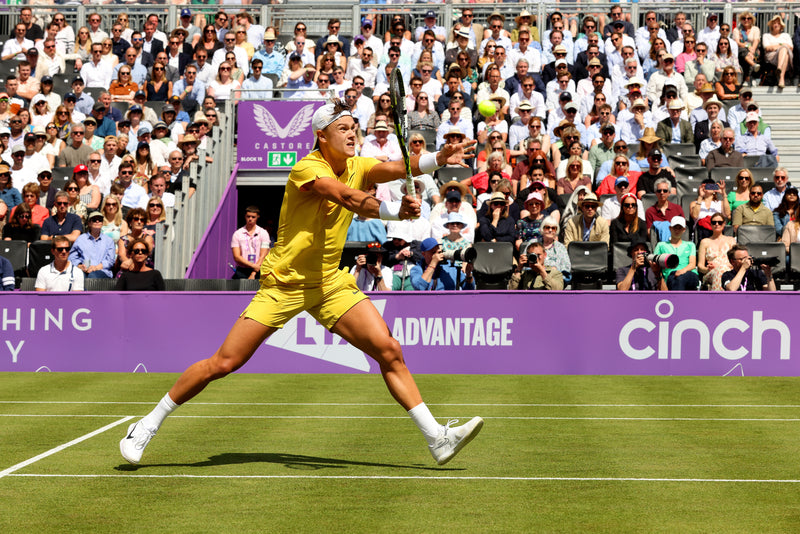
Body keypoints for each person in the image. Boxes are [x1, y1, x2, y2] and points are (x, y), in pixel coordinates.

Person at [120, 101, 483, 467]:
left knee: (389, 350)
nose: (352, 134)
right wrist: (393, 212)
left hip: (329, 283)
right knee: (224, 362)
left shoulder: (358, 165)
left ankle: (437, 438)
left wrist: (438, 158)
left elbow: (396, 167)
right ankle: (146, 425)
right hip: (285, 284)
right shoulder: (307, 168)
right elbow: (346, 197)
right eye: (343, 129)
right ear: (321, 136)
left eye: (354, 127)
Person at [654, 216, 699, 291]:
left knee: (680, 278)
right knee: (676, 279)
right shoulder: (661, 245)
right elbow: (655, 263)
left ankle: (676, 298)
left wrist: (682, 271)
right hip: (671, 275)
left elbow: (692, 264)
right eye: (675, 228)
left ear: (684, 230)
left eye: (680, 228)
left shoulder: (690, 245)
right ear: (670, 228)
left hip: (690, 273)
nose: (677, 230)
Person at [68, 211, 116, 279]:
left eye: (100, 220)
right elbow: (72, 257)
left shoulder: (109, 241)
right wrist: (79, 266)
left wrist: (96, 268)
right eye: (94, 220)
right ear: (89, 223)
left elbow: (110, 261)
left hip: (102, 271)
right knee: (78, 276)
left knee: (92, 276)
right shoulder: (80, 239)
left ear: (102, 223)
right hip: (84, 271)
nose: (97, 221)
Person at [697, 212, 736, 291]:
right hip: (711, 273)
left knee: (721, 270)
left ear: (724, 224)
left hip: (728, 270)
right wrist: (708, 269)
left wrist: (721, 266)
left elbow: (735, 261)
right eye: (714, 222)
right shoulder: (705, 242)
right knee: (719, 271)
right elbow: (700, 266)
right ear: (711, 224)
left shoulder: (731, 240)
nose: (717, 224)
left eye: (720, 222)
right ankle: (719, 297)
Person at [231, 206, 271, 280]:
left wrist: (253, 273)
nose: (250, 219)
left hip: (259, 269)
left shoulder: (263, 233)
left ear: (257, 217)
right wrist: (253, 265)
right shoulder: (238, 233)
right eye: (248, 216)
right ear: (245, 216)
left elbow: (263, 255)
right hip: (242, 270)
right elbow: (236, 256)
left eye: (253, 217)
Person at [763, 15, 792, 88]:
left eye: (778, 23)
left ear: (781, 26)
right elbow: (767, 48)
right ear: (771, 25)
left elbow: (791, 47)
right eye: (774, 23)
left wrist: (775, 46)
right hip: (772, 56)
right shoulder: (766, 35)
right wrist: (782, 45)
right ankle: (781, 78)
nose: (776, 25)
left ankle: (779, 69)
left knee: (784, 51)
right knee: (784, 50)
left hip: (786, 55)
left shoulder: (786, 35)